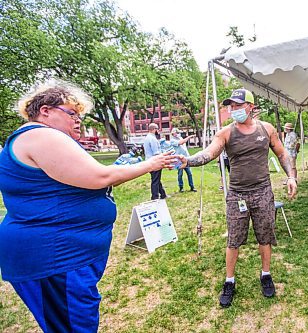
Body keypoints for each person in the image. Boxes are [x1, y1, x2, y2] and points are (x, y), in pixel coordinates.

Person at [0, 80, 177, 332]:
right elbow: (99, 178)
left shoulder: (38, 138)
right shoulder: (40, 134)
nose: (78, 120)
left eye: (80, 115)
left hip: (62, 255)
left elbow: (80, 182)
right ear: (45, 111)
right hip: (55, 257)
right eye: (71, 113)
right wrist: (151, 164)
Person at [177, 88, 298, 308]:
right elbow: (209, 153)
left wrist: (291, 176)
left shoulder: (267, 129)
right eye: (231, 106)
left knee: (265, 236)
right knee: (233, 240)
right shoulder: (225, 133)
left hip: (262, 192)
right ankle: (229, 281)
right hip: (237, 195)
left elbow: (282, 153)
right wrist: (188, 161)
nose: (233, 109)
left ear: (251, 107)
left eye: (238, 105)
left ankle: (266, 275)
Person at [144, 123, 169, 200]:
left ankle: (163, 194)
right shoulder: (153, 139)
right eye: (157, 129)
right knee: (155, 180)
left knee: (157, 179)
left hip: (149, 161)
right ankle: (154, 197)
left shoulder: (147, 138)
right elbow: (156, 152)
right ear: (154, 129)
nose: (158, 131)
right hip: (155, 162)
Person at [170, 128, 197, 193]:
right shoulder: (172, 140)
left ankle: (192, 187)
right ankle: (181, 188)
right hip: (179, 160)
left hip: (186, 158)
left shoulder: (181, 138)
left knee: (189, 173)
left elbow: (184, 147)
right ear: (173, 133)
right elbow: (181, 143)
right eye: (176, 132)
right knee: (180, 174)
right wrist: (189, 137)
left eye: (178, 132)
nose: (178, 134)